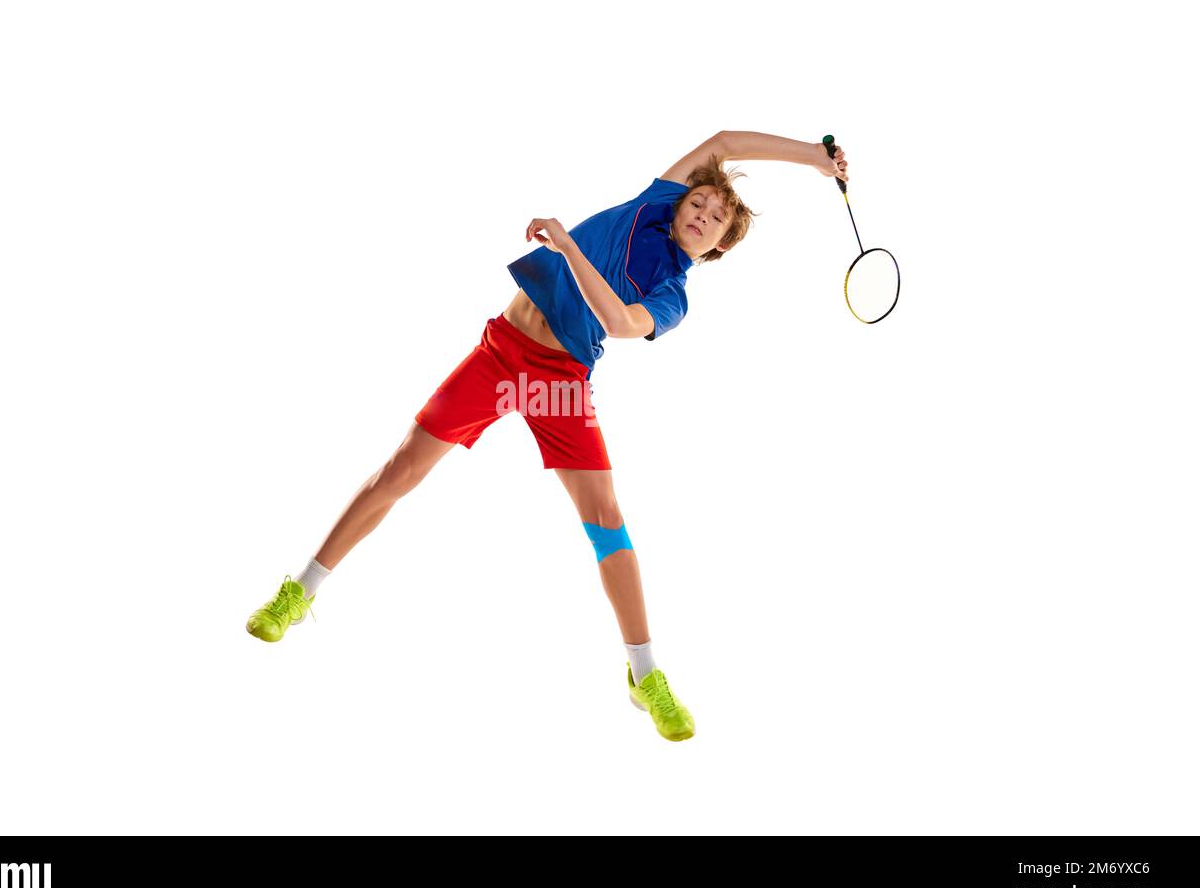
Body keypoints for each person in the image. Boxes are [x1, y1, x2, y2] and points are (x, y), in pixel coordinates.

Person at [245, 130, 849, 742]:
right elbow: (725, 140)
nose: (703, 213)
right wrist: (817, 162)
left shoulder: (673, 296)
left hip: (558, 384)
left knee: (605, 518)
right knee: (401, 469)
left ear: (719, 246)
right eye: (699, 202)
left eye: (718, 217)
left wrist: (565, 244)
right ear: (680, 201)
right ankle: (299, 592)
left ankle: (646, 675)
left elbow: (616, 321)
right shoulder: (652, 201)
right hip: (500, 355)